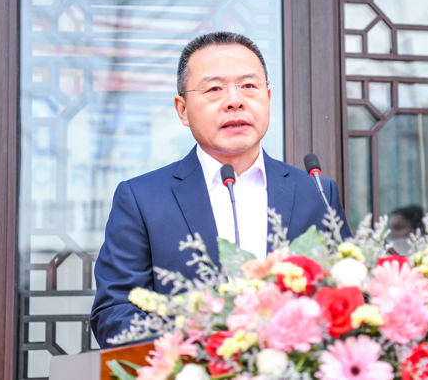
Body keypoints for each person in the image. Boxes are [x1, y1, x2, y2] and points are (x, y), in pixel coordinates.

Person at [90, 31, 352, 347]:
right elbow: (114, 313)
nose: (235, 101)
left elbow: (351, 295)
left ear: (268, 97)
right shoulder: (142, 199)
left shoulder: (317, 193)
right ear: (183, 110)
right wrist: (198, 354)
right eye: (214, 89)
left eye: (249, 86)